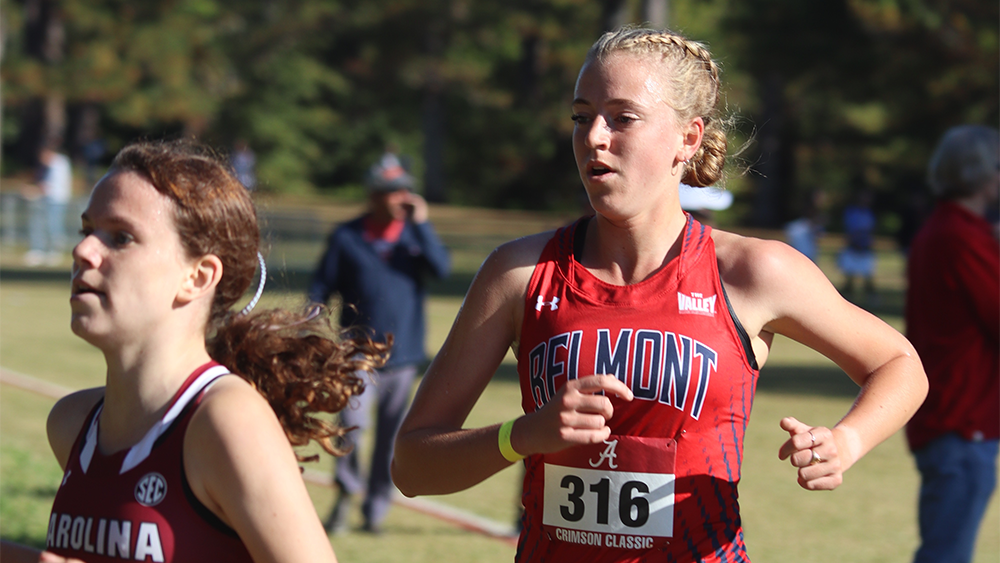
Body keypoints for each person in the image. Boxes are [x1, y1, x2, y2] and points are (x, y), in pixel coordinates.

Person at [391, 26, 928, 562]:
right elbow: (411, 466)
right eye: (582, 117)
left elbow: (900, 362)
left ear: (688, 139)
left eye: (622, 118)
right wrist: (522, 435)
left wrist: (848, 441)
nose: (594, 137)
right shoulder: (519, 272)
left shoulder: (753, 271)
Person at [3, 139, 388, 563]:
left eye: (121, 237)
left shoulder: (226, 423)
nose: (83, 251)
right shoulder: (72, 424)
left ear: (198, 277)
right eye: (87, 231)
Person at [309, 150, 450, 534]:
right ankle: (344, 495)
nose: (401, 197)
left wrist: (422, 226)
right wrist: (313, 320)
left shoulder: (413, 237)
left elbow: (443, 268)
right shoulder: (347, 237)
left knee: (391, 439)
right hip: (356, 354)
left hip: (402, 357)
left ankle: (375, 510)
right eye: (392, 191)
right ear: (373, 195)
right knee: (351, 427)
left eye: (405, 189)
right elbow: (322, 285)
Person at [904, 125, 999, 563]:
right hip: (961, 419)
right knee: (947, 555)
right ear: (982, 173)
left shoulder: (944, 229)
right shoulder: (961, 236)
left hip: (951, 416)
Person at [24, 144, 73, 267]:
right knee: (40, 225)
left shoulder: (58, 164)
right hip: (47, 200)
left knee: (53, 225)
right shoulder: (56, 164)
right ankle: (39, 251)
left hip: (56, 200)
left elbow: (50, 186)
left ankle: (54, 252)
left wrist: (32, 191)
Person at [837, 189, 878, 303]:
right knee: (849, 278)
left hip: (865, 249)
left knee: (868, 278)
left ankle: (871, 299)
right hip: (853, 248)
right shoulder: (851, 212)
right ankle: (846, 300)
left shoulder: (870, 213)